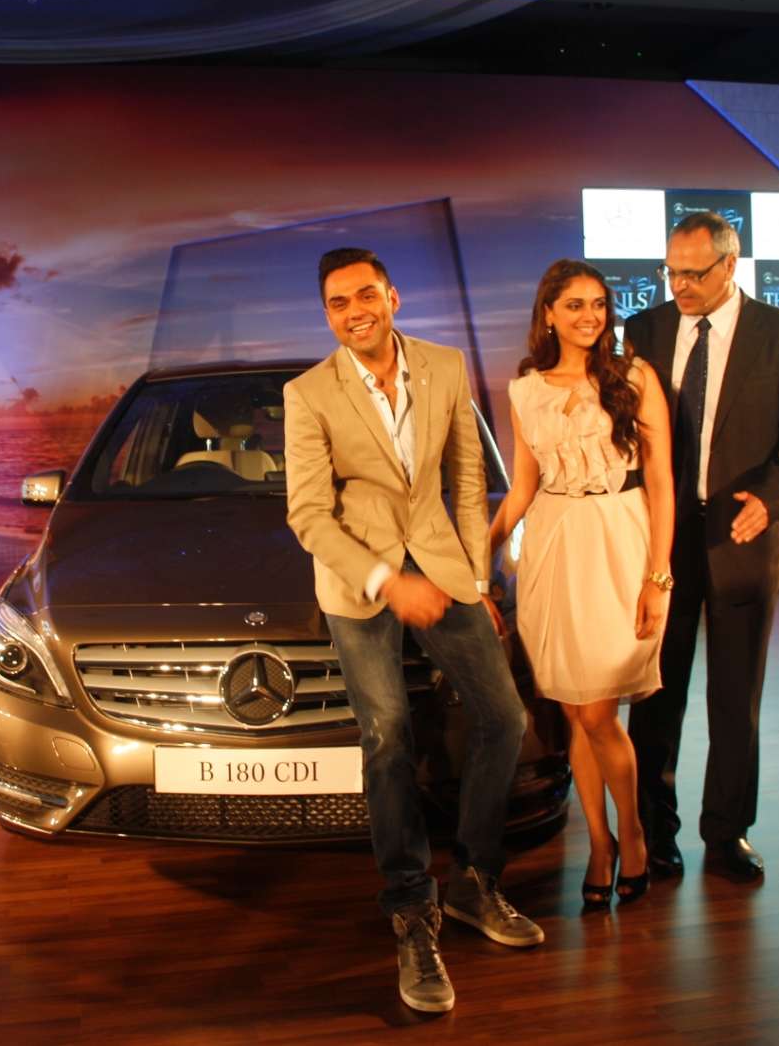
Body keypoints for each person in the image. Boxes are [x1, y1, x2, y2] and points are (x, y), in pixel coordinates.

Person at [285, 247, 542, 1014]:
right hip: (359, 583)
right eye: (339, 303)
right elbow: (308, 515)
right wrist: (386, 581)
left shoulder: (444, 365)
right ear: (327, 315)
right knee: (389, 732)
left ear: (392, 297)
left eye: (366, 294)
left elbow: (466, 477)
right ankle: (410, 908)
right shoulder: (309, 393)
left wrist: (476, 579)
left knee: (505, 718)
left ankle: (474, 882)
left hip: (442, 564)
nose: (355, 311)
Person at [625, 211, 779, 881]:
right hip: (663, 538)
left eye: (693, 273)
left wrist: (772, 497)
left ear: (730, 264)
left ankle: (727, 833)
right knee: (656, 693)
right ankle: (654, 832)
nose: (679, 286)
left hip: (742, 534)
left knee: (736, 695)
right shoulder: (643, 331)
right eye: (671, 272)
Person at [487, 259, 674, 910]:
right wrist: (480, 550)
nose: (590, 316)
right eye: (574, 305)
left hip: (620, 540)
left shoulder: (634, 377)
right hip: (552, 545)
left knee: (598, 711)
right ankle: (599, 843)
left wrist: (658, 575)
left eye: (598, 304)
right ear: (548, 314)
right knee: (574, 709)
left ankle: (635, 834)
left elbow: (662, 483)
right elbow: (523, 486)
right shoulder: (525, 389)